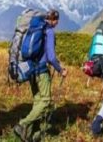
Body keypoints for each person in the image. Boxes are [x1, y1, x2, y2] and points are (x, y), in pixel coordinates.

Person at [13, 10, 67, 142]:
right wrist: (61, 69)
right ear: (54, 20)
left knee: (38, 101)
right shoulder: (48, 31)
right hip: (42, 71)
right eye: (57, 20)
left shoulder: (35, 28)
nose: (57, 23)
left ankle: (33, 135)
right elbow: (51, 57)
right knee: (46, 101)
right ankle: (23, 124)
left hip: (31, 69)